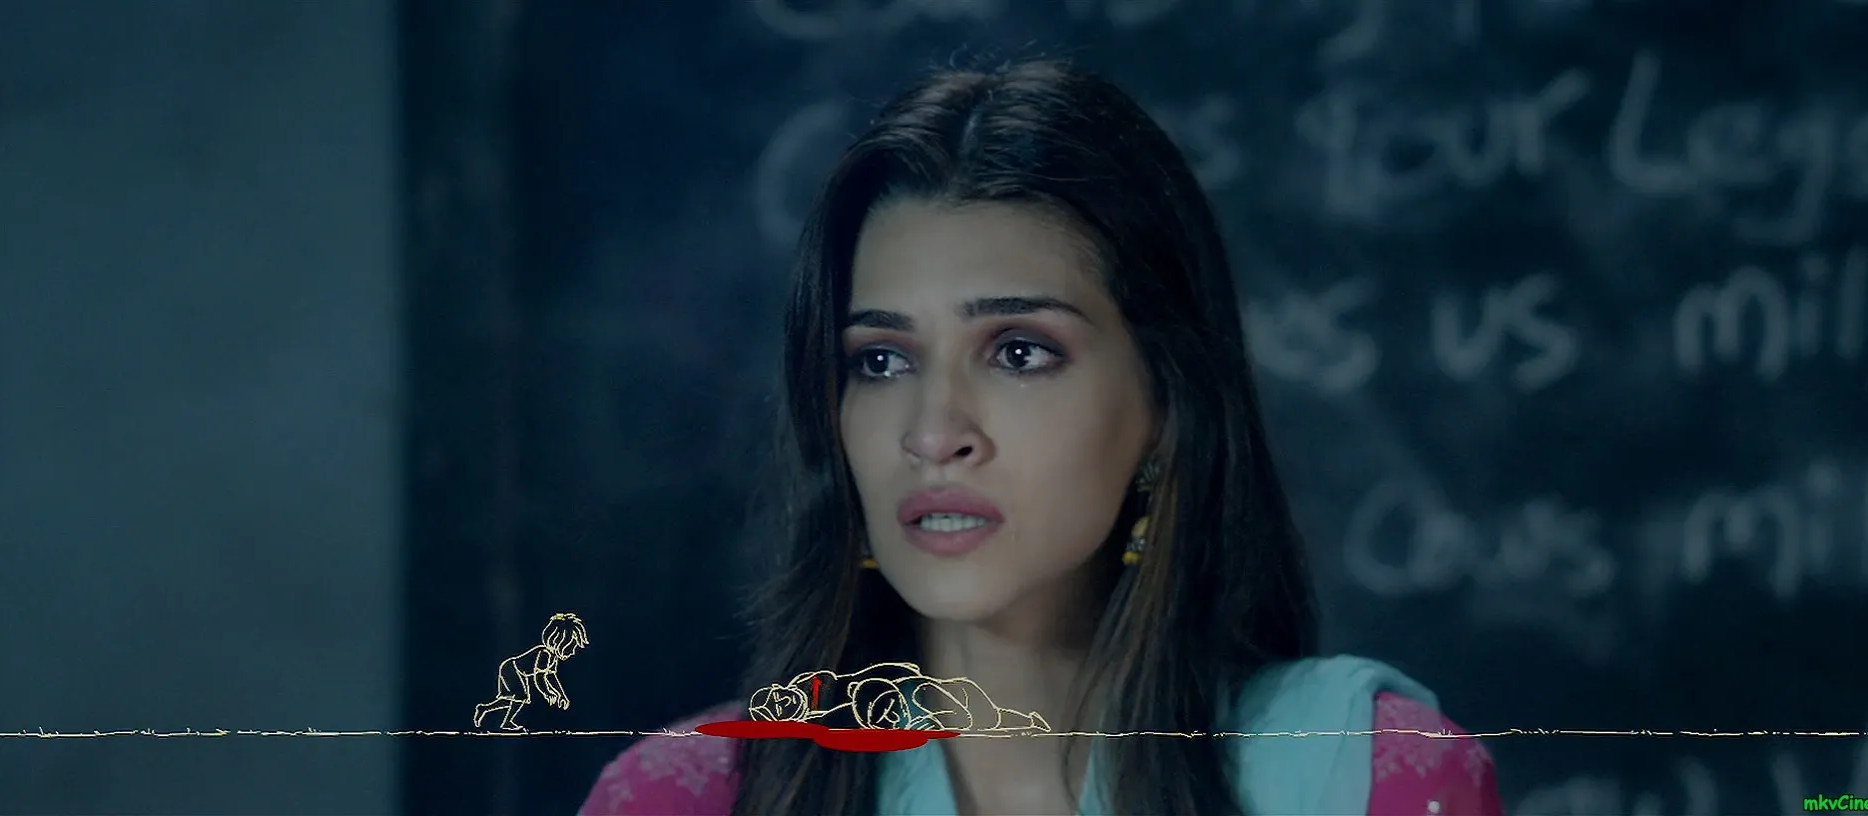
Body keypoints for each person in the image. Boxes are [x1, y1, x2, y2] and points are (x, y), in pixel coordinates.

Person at [580, 60, 1503, 815]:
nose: (933, 433)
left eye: (1018, 352)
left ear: (1165, 403)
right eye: (882, 362)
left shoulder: (1366, 780)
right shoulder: (685, 800)